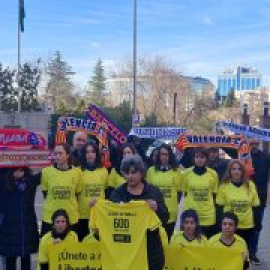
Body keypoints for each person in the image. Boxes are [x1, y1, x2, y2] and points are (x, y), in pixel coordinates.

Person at [110, 155, 169, 270]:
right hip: (127, 251)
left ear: (141, 172)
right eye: (126, 173)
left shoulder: (153, 192)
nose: (129, 176)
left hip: (151, 251)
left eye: (133, 172)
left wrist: (157, 208)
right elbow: (109, 221)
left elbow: (165, 218)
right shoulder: (117, 194)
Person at [216, 159, 260, 264]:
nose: (236, 171)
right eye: (233, 169)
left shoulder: (250, 185)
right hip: (230, 228)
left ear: (243, 171)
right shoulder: (224, 186)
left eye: (239, 169)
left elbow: (256, 206)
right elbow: (219, 207)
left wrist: (257, 224)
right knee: (230, 257)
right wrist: (219, 223)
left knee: (244, 257)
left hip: (247, 225)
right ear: (229, 171)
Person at [0, 167, 40, 270]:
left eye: (21, 170)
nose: (18, 173)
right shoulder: (4, 182)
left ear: (25, 171)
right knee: (10, 259)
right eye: (15, 170)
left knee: (26, 257)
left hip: (26, 227)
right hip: (9, 228)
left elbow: (44, 173)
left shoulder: (30, 183)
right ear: (11, 171)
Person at [41, 143, 81, 236]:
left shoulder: (76, 172)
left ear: (67, 155)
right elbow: (45, 193)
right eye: (55, 154)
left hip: (71, 218)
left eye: (60, 153)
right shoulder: (46, 172)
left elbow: (77, 193)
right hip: (50, 218)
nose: (57, 156)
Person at [182, 147, 218, 238]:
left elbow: (214, 195)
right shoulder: (186, 174)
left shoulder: (213, 174)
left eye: (202, 157)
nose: (199, 160)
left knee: (207, 244)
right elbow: (185, 193)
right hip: (191, 215)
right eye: (197, 157)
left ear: (206, 159)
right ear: (194, 158)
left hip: (207, 215)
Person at [147, 144, 182, 239]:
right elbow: (148, 190)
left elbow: (179, 193)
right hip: (155, 211)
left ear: (170, 156)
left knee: (168, 239)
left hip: (171, 212)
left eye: (166, 154)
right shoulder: (151, 171)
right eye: (162, 154)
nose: (164, 157)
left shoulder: (176, 172)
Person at [77, 141, 108, 241]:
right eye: (87, 152)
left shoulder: (103, 171)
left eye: (92, 152)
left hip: (99, 214)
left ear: (96, 154)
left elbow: (106, 192)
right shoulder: (77, 171)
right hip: (83, 215)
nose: (90, 154)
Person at [249, 138, 270, 264]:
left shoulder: (266, 156)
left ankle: (253, 252)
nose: (254, 146)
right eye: (251, 144)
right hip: (243, 198)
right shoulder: (241, 154)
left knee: (257, 226)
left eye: (256, 143)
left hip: (260, 199)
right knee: (242, 226)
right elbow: (227, 146)